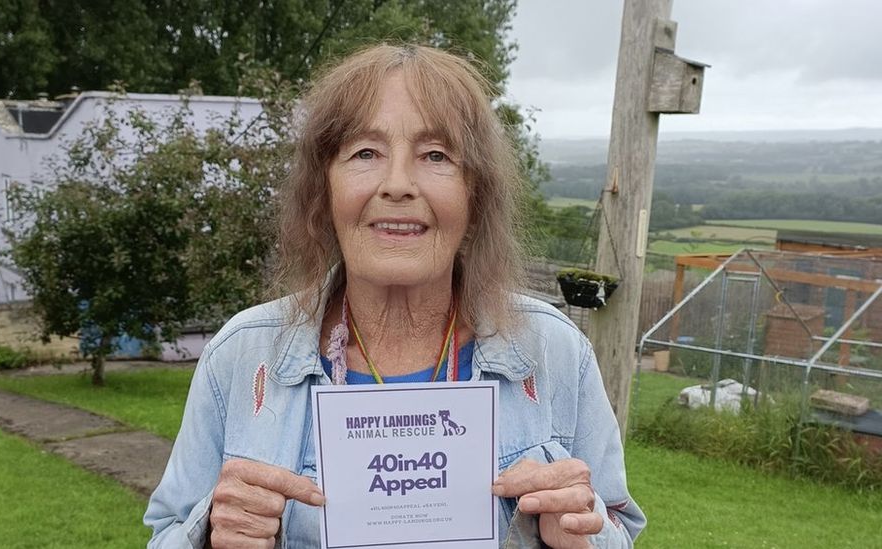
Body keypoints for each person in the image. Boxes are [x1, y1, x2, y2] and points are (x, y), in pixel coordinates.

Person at [145, 43, 645, 549]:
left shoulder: (555, 351)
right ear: (325, 189)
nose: (398, 184)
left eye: (436, 155)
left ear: (477, 194)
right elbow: (166, 530)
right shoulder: (241, 354)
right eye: (365, 153)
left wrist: (583, 536)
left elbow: (621, 527)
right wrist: (212, 535)